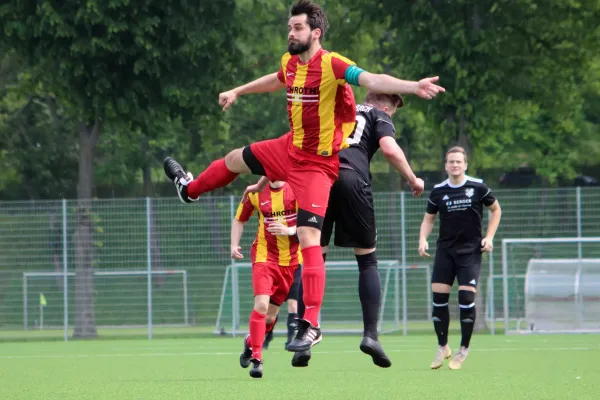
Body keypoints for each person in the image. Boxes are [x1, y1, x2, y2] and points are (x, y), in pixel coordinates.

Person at [164, 0, 445, 352]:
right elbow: (276, 79)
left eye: (297, 28)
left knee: (310, 237)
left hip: (317, 164)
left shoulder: (332, 64)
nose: (290, 33)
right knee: (235, 158)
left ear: (316, 33)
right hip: (288, 149)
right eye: (288, 28)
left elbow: (372, 79)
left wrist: (412, 86)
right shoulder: (290, 63)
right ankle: (189, 190)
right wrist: (238, 90)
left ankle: (311, 324)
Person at [248, 92, 426, 368]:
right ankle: (371, 336)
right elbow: (389, 149)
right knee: (367, 259)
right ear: (387, 106)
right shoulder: (378, 116)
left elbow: (287, 149)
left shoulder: (332, 111)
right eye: (393, 112)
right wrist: (413, 179)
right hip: (353, 179)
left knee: (314, 254)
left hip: (318, 178)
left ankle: (304, 338)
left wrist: (261, 183)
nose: (392, 115)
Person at [418, 146, 502, 370]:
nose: (455, 165)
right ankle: (442, 346)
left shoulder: (478, 187)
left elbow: (496, 210)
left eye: (458, 162)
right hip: (445, 251)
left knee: (466, 299)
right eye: (451, 162)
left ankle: (464, 348)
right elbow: (428, 219)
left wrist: (489, 237)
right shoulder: (438, 191)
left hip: (470, 252)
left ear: (465, 165)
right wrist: (422, 239)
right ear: (445, 166)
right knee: (439, 301)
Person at [231, 180, 301, 378]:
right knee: (261, 306)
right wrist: (233, 245)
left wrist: (289, 230)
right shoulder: (255, 192)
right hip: (264, 257)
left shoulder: (297, 189)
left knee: (270, 317)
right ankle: (257, 360)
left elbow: (312, 222)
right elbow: (239, 219)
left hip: (290, 262)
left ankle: (249, 343)